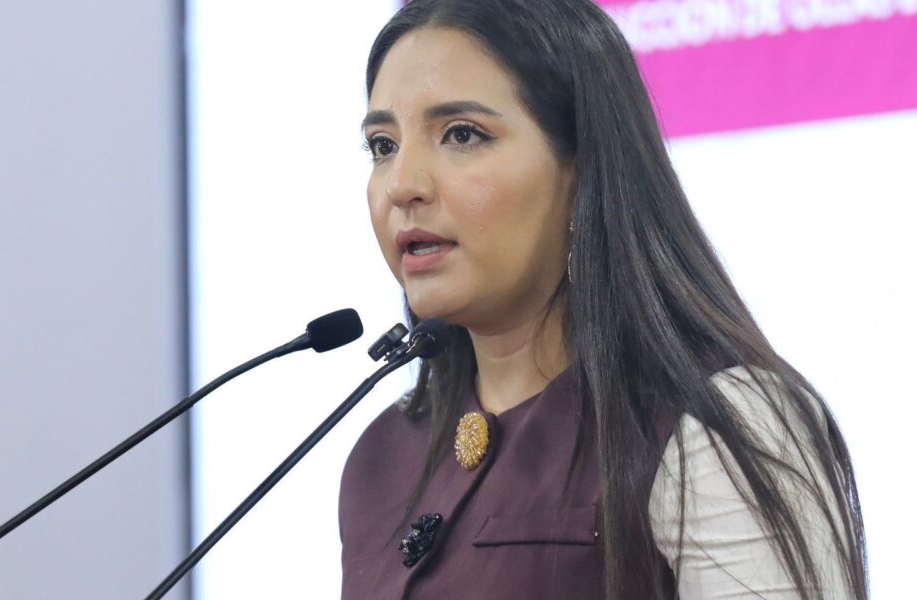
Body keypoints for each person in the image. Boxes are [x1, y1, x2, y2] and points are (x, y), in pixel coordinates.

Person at [339, 1, 868, 598]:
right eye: (382, 145)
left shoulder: (719, 425)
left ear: (585, 168)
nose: (402, 184)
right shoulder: (382, 457)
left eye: (462, 134)